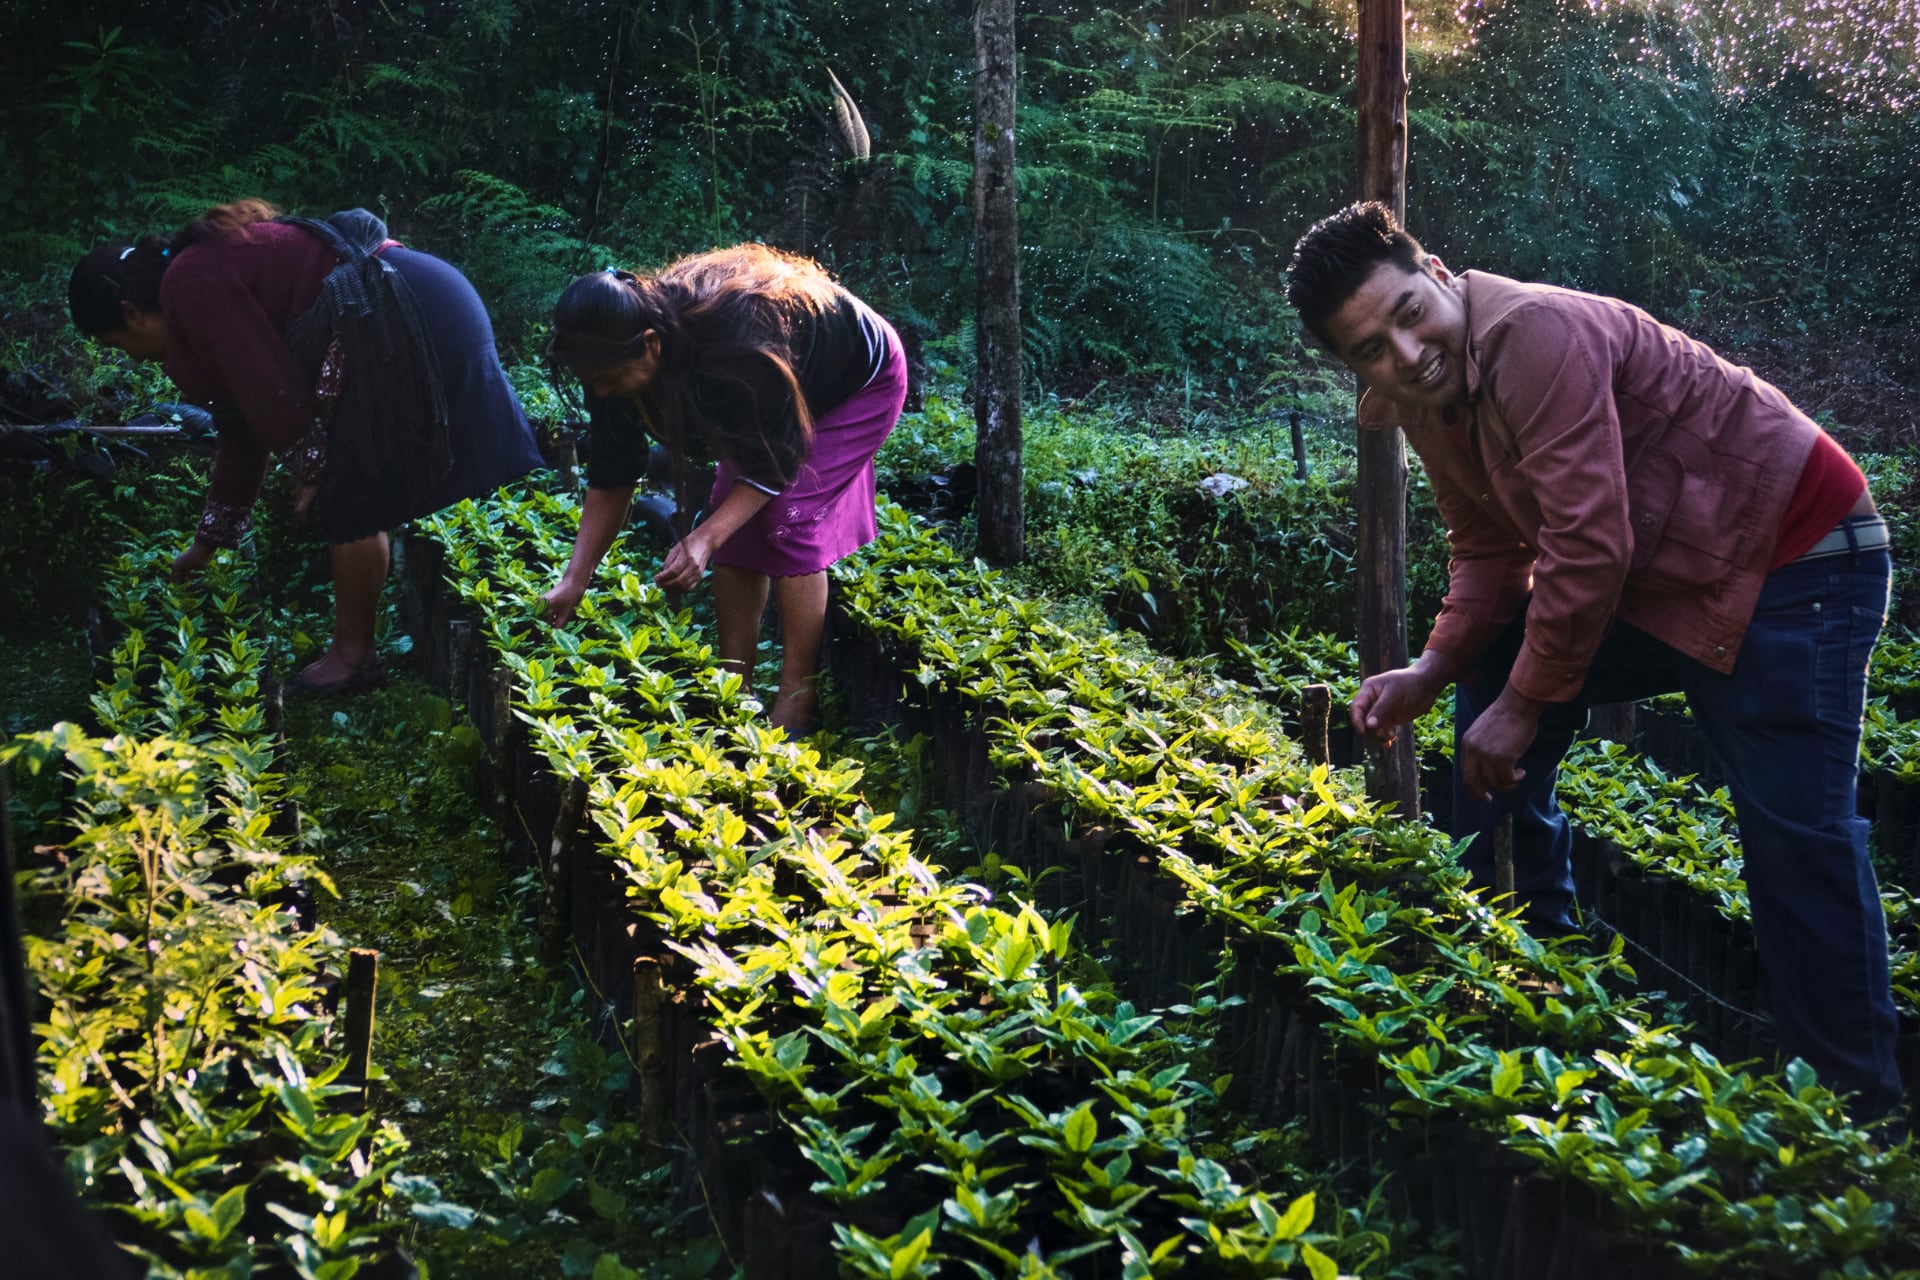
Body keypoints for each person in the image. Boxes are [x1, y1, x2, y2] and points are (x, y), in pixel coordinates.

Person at [1285, 201, 1902, 1121]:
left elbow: (1588, 547)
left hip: (1798, 556)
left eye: (1409, 315)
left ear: (1441, 275)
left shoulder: (1536, 333)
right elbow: (1489, 551)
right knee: (1488, 667)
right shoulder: (1419, 401)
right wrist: (1433, 669)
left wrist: (1529, 705)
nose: (1405, 356)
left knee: (1794, 838)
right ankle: (1535, 958)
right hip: (1674, 575)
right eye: (1372, 349)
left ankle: (1857, 1113)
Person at [69, 200, 544, 694]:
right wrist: (207, 544)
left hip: (405, 310)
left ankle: (351, 659)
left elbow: (265, 382)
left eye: (118, 344)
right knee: (356, 494)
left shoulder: (188, 282)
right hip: (412, 302)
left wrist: (311, 464)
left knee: (348, 496)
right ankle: (356, 652)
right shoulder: (196, 284)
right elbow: (242, 423)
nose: (134, 358)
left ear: (130, 314)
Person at [541, 245, 906, 734]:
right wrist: (576, 577)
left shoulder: (737, 345)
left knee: (786, 520)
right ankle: (735, 691)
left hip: (857, 379)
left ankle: (798, 703)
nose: (602, 392)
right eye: (594, 383)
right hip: (785, 388)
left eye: (609, 381)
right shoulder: (606, 361)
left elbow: (774, 460)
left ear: (651, 344)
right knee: (728, 519)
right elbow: (614, 473)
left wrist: (704, 538)